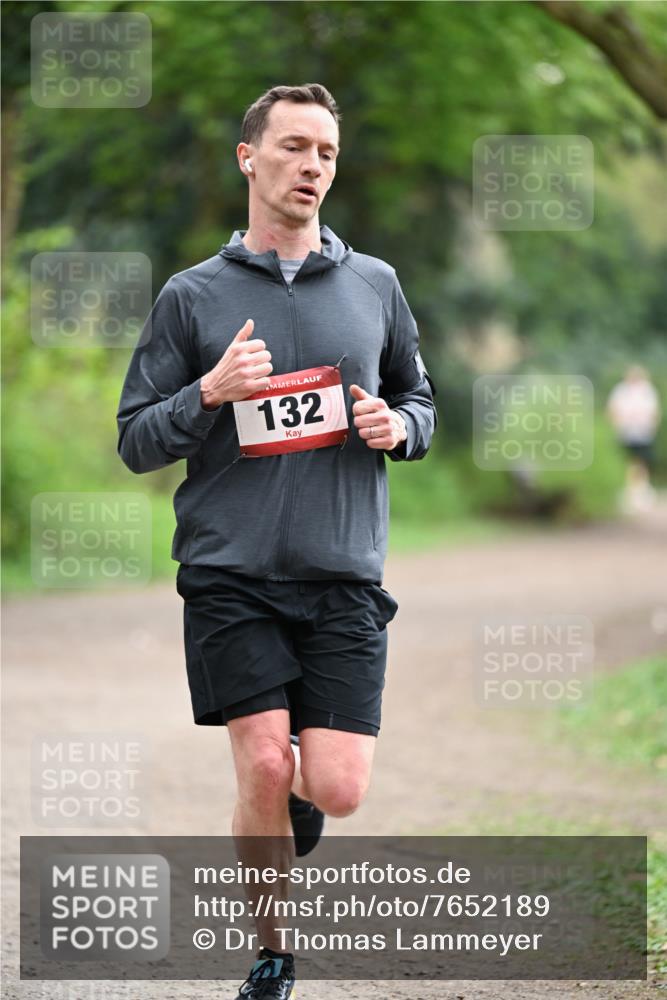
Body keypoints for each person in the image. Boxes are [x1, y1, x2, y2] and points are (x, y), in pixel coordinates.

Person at [116, 82, 436, 999]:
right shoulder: (193, 297)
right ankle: (274, 950)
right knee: (261, 758)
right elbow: (138, 437)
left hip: (342, 576)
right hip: (230, 574)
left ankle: (297, 799)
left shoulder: (374, 285)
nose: (312, 167)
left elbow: (419, 398)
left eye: (326, 153)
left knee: (333, 790)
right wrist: (209, 393)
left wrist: (397, 427)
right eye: (294, 147)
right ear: (249, 158)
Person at [606, 365, 661, 513]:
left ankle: (640, 492)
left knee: (641, 461)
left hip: (643, 432)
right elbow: (612, 409)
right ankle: (629, 492)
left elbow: (654, 412)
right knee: (627, 461)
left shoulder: (647, 391)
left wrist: (651, 426)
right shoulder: (621, 391)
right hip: (625, 432)